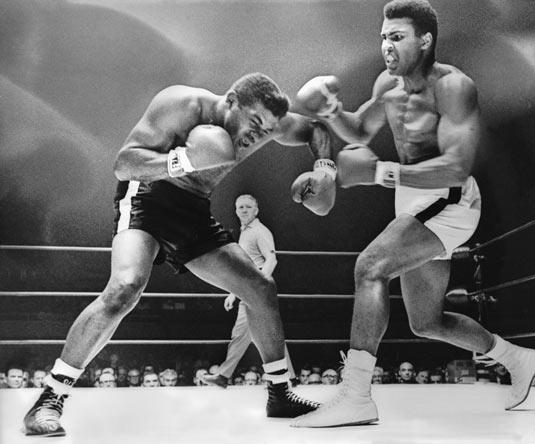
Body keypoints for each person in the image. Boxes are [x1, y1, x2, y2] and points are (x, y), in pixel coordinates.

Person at [23, 72, 330, 436]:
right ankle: (49, 399)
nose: (257, 135)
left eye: (267, 129)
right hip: (147, 198)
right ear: (231, 100)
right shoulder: (182, 104)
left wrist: (324, 170)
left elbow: (316, 130)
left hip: (193, 210)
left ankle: (279, 393)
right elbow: (125, 163)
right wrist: (181, 161)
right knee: (125, 287)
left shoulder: (269, 126)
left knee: (260, 288)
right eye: (254, 123)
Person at [290, 0, 535, 427]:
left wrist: (380, 172)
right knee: (426, 321)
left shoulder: (453, 87)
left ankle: (355, 396)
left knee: (370, 266)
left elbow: (457, 165)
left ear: (425, 40)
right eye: (383, 37)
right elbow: (359, 129)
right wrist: (333, 112)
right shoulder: (386, 85)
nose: (387, 46)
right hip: (414, 202)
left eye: (397, 37)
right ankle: (515, 358)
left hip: (450, 201)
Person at [203, 194, 296, 389]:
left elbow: (271, 260)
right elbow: (245, 269)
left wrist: (259, 286)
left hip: (255, 291)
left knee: (242, 334)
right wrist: (233, 293)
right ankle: (290, 376)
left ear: (256, 210)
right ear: (236, 211)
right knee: (268, 333)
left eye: (248, 207)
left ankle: (223, 375)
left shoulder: (259, 231)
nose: (243, 210)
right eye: (240, 207)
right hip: (250, 290)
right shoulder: (245, 232)